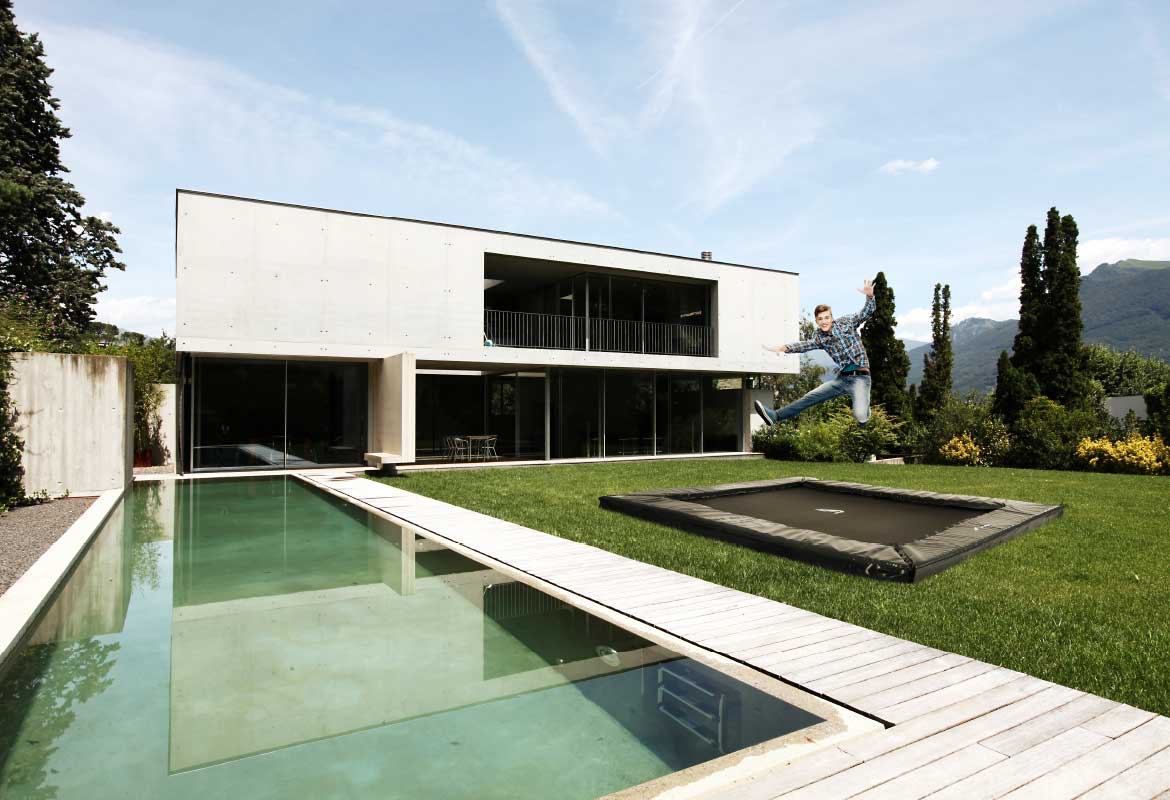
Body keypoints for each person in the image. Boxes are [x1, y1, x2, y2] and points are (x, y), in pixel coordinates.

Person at [755, 279, 876, 427]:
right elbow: (804, 345)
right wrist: (782, 348)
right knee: (810, 397)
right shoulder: (820, 337)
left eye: (826, 318)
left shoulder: (846, 322)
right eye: (820, 319)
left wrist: (869, 296)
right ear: (817, 321)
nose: (824, 321)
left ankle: (864, 412)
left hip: (861, 378)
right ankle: (775, 416)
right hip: (842, 379)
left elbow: (865, 313)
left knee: (860, 416)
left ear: (832, 317)